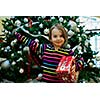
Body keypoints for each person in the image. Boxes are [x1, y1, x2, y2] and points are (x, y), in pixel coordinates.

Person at [15, 23, 84, 83]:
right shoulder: (45, 48)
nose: (58, 38)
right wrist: (19, 36)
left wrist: (76, 66)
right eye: (55, 36)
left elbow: (78, 60)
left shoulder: (68, 52)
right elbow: (32, 44)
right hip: (46, 81)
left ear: (65, 37)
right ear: (50, 38)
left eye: (61, 36)